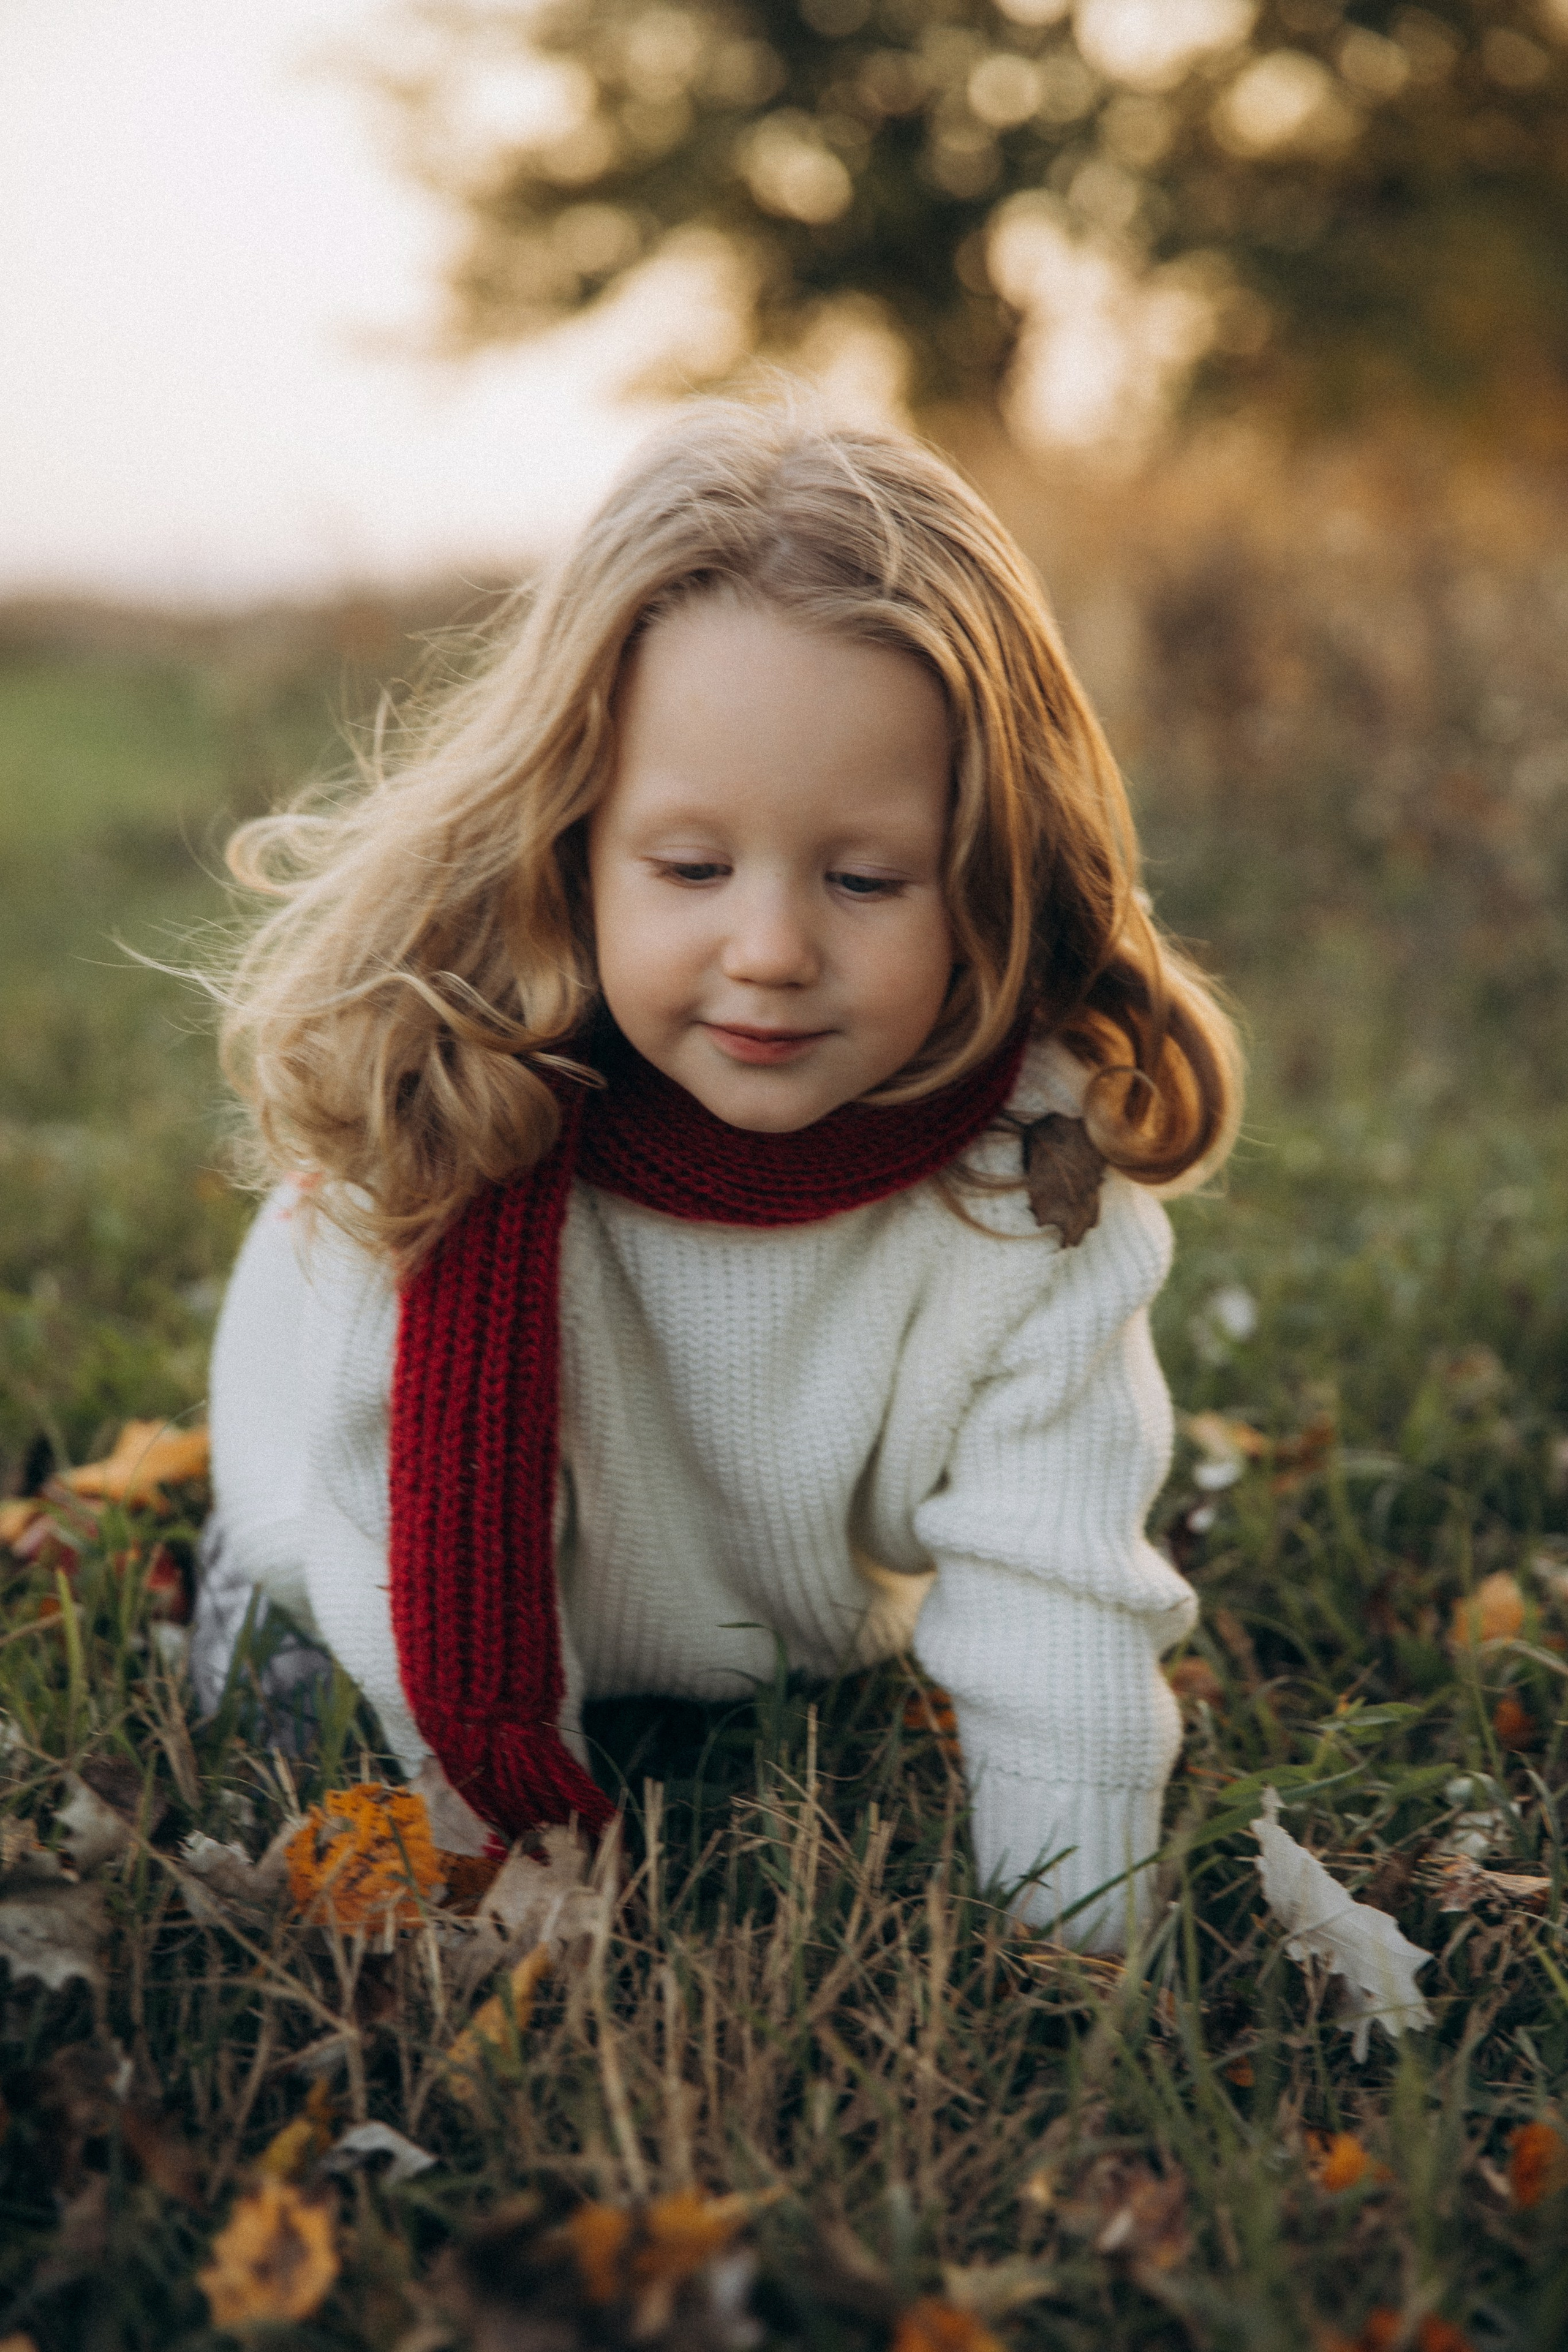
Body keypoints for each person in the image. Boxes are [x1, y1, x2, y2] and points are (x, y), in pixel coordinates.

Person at [193, 404, 1242, 1951]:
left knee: (841, 1673)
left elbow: (1055, 1578)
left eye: (864, 878)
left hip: (786, 1618)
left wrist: (1071, 1944)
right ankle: (247, 1602)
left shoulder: (1034, 1171)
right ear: (569, 843)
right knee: (297, 1673)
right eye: (689, 869)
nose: (767, 950)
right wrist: (495, 1833)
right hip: (357, 1544)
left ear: (987, 869)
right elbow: (378, 1513)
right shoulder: (453, 1109)